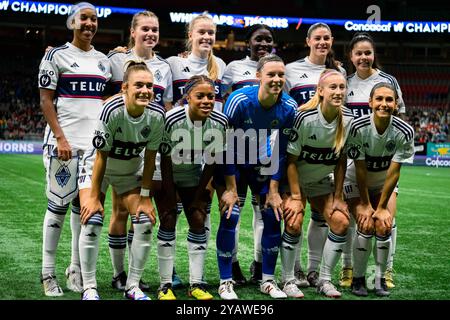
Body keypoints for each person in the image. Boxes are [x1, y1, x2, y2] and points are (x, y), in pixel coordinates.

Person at [38, 2, 111, 297]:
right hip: (63, 145)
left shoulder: (105, 61)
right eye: (84, 18)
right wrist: (60, 138)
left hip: (92, 148)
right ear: (72, 22)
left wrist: (120, 52)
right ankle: (47, 273)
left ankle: (74, 270)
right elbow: (45, 100)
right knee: (57, 207)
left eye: (94, 19)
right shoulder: (56, 56)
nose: (89, 24)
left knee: (83, 209)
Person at [78, 60, 165, 300]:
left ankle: (132, 286)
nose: (146, 90)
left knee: (145, 220)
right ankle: (89, 287)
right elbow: (100, 157)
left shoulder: (157, 115)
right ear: (125, 87)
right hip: (98, 169)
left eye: (149, 85)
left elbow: (150, 159)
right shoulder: (112, 109)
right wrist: (95, 197)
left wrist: (146, 198)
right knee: (93, 218)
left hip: (129, 172)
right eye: (139, 85)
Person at [216, 54, 297, 300]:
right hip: (235, 164)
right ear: (258, 76)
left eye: (280, 75)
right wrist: (230, 187)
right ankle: (225, 281)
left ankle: (268, 280)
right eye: (271, 74)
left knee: (273, 215)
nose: (276, 79)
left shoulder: (289, 107)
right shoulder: (238, 100)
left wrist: (274, 191)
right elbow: (226, 145)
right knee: (231, 215)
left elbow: (282, 151)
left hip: (263, 163)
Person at [106, 10, 172, 293]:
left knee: (142, 210)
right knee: (119, 208)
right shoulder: (115, 60)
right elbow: (105, 99)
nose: (151, 34)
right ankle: (119, 273)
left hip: (148, 147)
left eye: (155, 29)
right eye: (145, 29)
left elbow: (165, 109)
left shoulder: (165, 67)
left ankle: (135, 273)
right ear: (132, 32)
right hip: (119, 147)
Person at [340, 32, 406, 289]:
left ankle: (386, 271)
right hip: (352, 159)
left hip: (383, 162)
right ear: (351, 56)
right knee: (352, 219)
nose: (364, 57)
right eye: (359, 53)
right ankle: (348, 268)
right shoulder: (345, 83)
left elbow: (398, 120)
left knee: (388, 218)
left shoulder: (388, 81)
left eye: (368, 52)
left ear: (373, 55)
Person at [166, 13, 227, 287]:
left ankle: (198, 276)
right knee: (172, 211)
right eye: (201, 32)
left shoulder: (223, 66)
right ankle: (171, 273)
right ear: (190, 35)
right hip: (180, 148)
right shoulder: (174, 64)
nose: (206, 37)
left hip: (209, 149)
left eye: (211, 33)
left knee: (201, 211)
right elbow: (167, 103)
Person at [285, 22, 346, 288]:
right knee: (294, 218)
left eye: (327, 38)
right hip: (295, 164)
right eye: (317, 38)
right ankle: (292, 274)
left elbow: (342, 159)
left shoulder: (339, 73)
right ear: (308, 40)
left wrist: (339, 195)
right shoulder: (291, 71)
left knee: (335, 220)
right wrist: (295, 194)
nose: (338, 92)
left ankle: (317, 275)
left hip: (322, 175)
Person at [158, 75, 228, 300]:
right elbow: (165, 161)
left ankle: (196, 284)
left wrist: (199, 195)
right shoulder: (171, 119)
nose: (207, 100)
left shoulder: (220, 122)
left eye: (211, 96)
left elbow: (212, 160)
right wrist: (171, 196)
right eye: (200, 96)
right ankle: (165, 285)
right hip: (163, 173)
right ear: (188, 97)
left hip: (192, 173)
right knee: (168, 217)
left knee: (198, 219)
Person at [345, 82, 414, 297]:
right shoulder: (358, 127)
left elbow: (394, 173)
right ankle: (357, 278)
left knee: (384, 224)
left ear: (396, 104)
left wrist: (382, 207)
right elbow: (360, 170)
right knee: (365, 223)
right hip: (355, 181)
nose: (384, 104)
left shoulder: (405, 131)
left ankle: (380, 278)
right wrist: (366, 205)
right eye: (380, 99)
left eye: (389, 100)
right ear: (370, 102)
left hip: (383, 184)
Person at [221, 23, 275, 285]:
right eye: (259, 40)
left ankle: (258, 263)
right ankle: (232, 266)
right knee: (235, 211)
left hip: (265, 153)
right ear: (248, 43)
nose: (264, 44)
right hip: (238, 151)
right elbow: (223, 105)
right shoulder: (232, 69)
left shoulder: (277, 68)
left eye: (268, 40)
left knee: (262, 211)